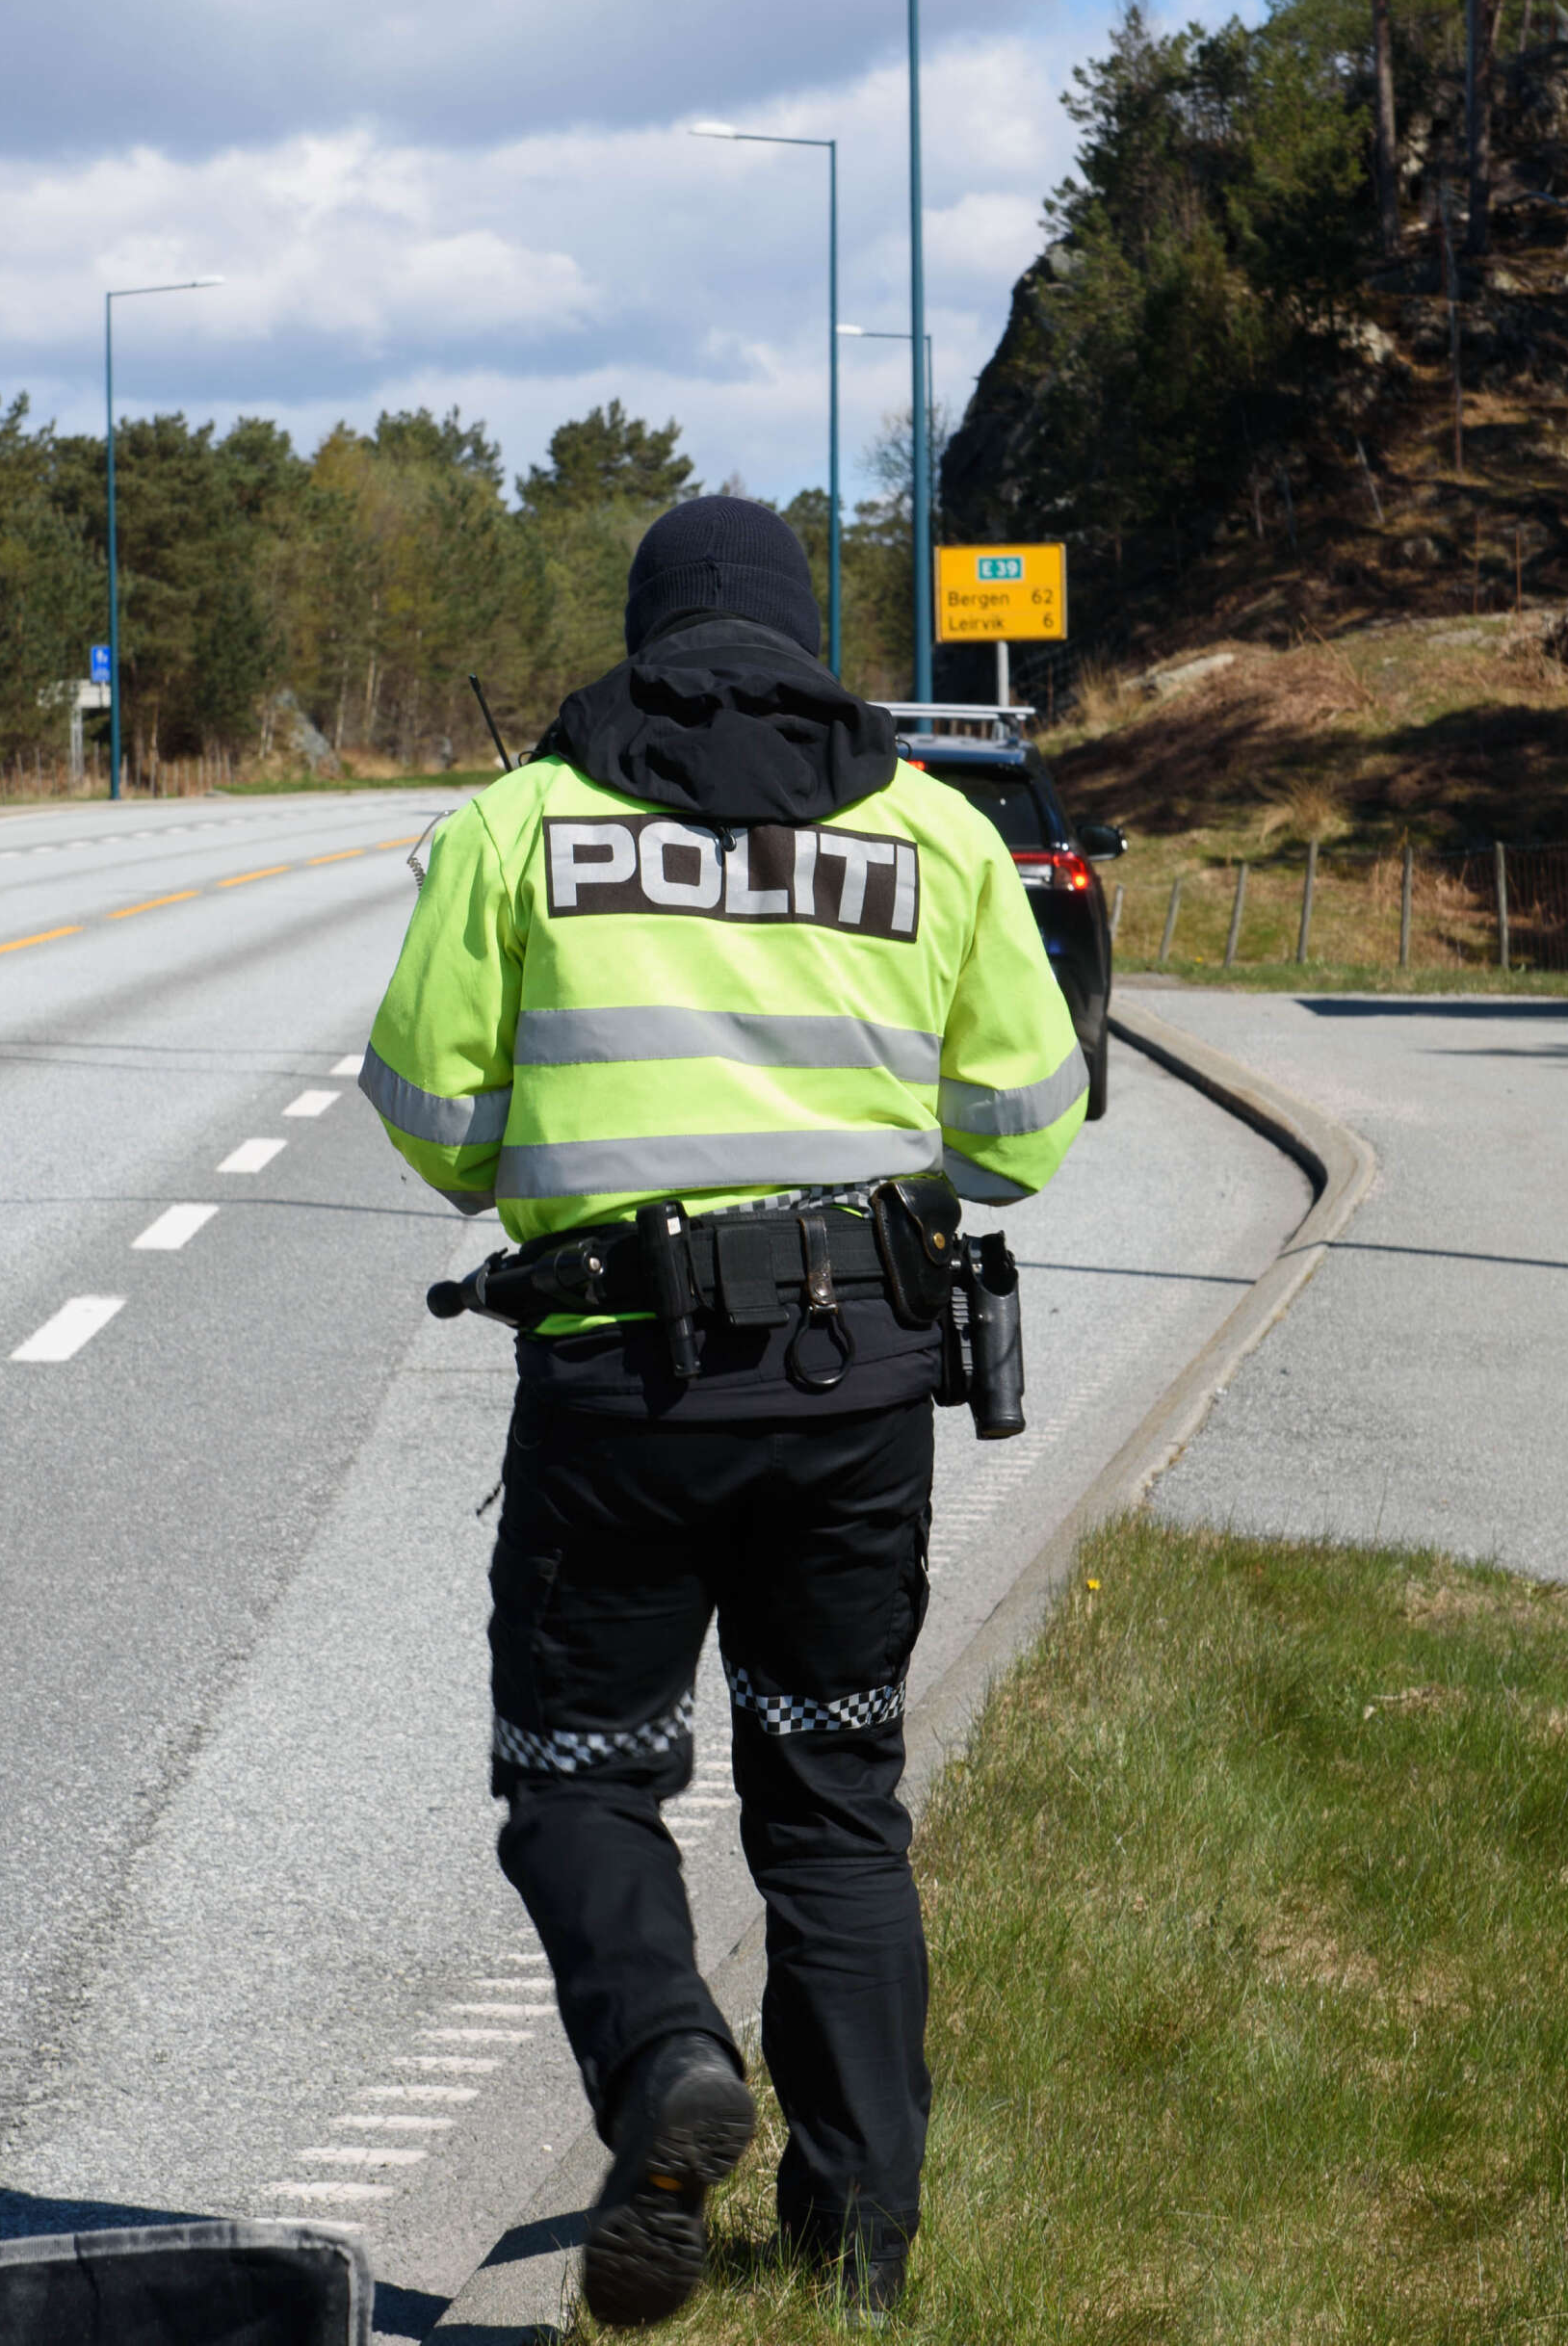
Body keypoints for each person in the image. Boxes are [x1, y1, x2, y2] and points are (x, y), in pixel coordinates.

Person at [359, 495, 1086, 2326]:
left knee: (580, 1778)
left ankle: (668, 2059)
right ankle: (859, 2255)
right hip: (856, 1391)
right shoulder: (934, 832)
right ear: (801, 639)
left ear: (646, 638)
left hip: (617, 1386)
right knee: (833, 1801)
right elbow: (1024, 1130)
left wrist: (560, 1156)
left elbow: (434, 1117)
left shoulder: (523, 825)